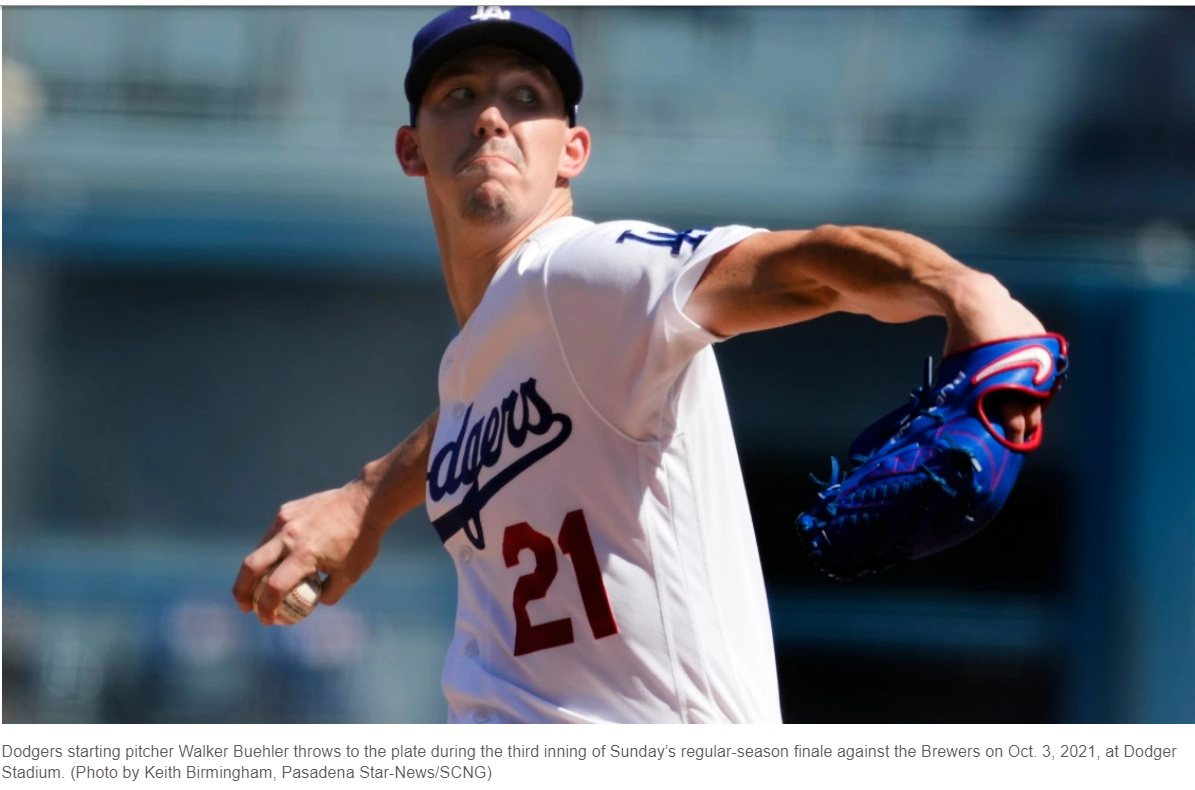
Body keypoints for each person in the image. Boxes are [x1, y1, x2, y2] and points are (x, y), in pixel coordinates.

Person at [233, 6, 1047, 723]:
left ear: (571, 152)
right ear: (411, 150)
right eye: (458, 96)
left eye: (525, 98)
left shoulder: (585, 271)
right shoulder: (487, 358)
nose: (490, 117)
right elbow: (493, 395)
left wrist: (963, 292)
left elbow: (797, 265)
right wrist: (371, 498)